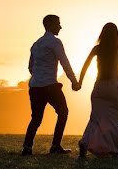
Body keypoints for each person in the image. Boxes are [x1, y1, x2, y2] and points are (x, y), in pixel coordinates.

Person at [21, 14, 80, 156]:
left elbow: (30, 67)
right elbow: (64, 62)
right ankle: (55, 146)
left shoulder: (35, 44)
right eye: (58, 24)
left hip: (35, 87)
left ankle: (27, 147)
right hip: (50, 86)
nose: (60, 26)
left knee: (36, 118)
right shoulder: (55, 42)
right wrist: (74, 81)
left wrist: (39, 75)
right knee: (63, 112)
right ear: (51, 25)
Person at [76, 22, 118, 157]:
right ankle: (115, 149)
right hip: (113, 87)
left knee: (96, 118)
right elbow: (117, 68)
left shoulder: (97, 49)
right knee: (114, 119)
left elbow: (85, 65)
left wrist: (80, 81)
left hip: (99, 86)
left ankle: (85, 143)